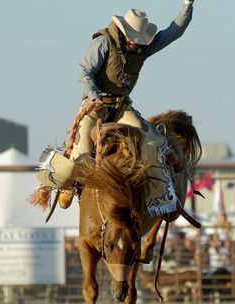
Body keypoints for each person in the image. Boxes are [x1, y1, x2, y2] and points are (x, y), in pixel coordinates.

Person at [58, 0, 196, 208]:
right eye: (133, 39)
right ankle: (68, 185)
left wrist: (187, 4)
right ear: (123, 32)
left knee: (153, 142)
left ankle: (156, 195)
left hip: (122, 107)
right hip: (95, 106)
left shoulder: (143, 48)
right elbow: (84, 71)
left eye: (139, 40)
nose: (135, 43)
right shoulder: (103, 42)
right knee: (81, 150)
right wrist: (95, 98)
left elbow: (174, 31)